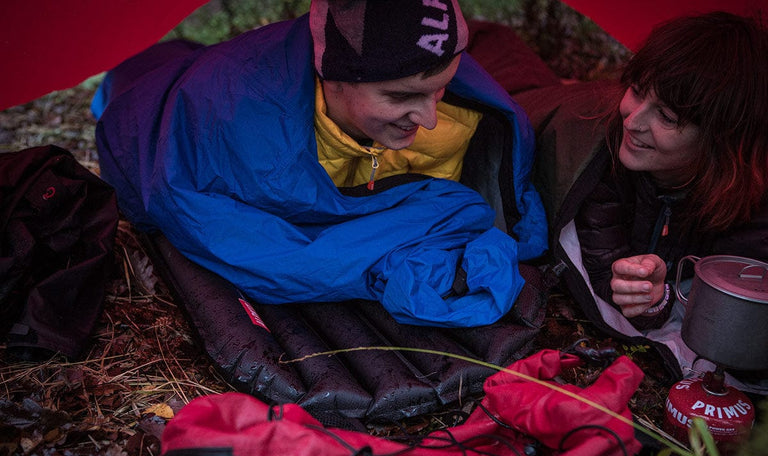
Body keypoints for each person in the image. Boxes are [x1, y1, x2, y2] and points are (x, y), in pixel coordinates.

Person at [91, 0, 548, 328]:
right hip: (156, 88)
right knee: (135, 75)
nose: (428, 119)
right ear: (333, 76)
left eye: (441, 88)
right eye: (402, 96)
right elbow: (181, 190)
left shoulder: (461, 122)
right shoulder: (237, 106)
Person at [560, 11, 768, 329]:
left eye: (667, 117)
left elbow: (736, 319)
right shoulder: (603, 158)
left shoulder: (753, 207)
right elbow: (605, 271)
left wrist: (658, 298)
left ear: (720, 142)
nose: (632, 121)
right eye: (637, 91)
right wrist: (644, 295)